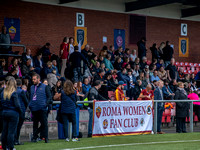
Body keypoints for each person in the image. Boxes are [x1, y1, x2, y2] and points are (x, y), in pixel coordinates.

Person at [29, 74, 52, 143]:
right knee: (35, 124)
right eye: (32, 79)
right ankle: (34, 138)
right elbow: (30, 97)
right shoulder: (32, 87)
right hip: (34, 109)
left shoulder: (45, 87)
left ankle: (46, 138)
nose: (33, 81)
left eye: (34, 79)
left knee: (44, 124)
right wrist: (30, 105)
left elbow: (49, 97)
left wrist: (45, 104)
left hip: (42, 108)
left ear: (39, 79)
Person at [0, 78, 22, 150]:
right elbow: (17, 105)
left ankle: (4, 146)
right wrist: (20, 111)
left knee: (4, 131)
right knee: (11, 132)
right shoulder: (14, 93)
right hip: (13, 113)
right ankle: (11, 147)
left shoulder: (3, 92)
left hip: (4, 112)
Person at [14, 79, 29, 145]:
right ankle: (16, 140)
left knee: (14, 126)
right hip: (21, 110)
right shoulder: (22, 91)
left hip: (14, 110)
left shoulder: (12, 91)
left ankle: (14, 140)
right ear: (20, 84)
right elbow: (26, 101)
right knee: (18, 126)